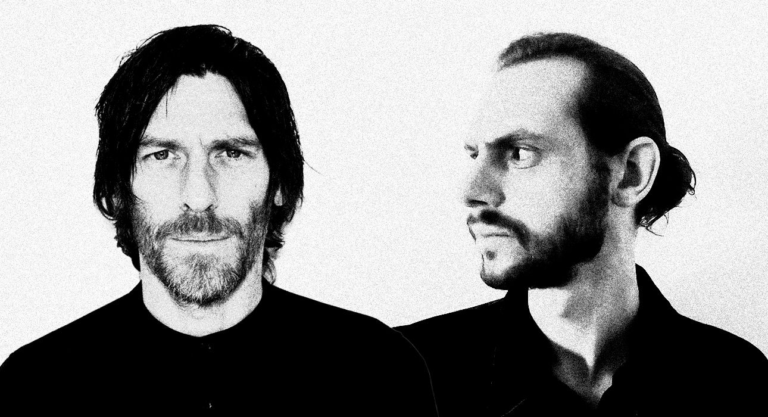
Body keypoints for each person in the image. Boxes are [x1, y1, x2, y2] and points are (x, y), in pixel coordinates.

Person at [0, 25, 437, 415]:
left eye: (231, 153)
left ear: (279, 184)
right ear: (117, 190)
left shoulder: (379, 371)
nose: (199, 197)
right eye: (162, 155)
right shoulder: (33, 389)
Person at [398, 32, 768, 416]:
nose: (472, 192)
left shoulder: (737, 383)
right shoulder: (408, 374)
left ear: (631, 173)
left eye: (520, 153)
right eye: (475, 155)